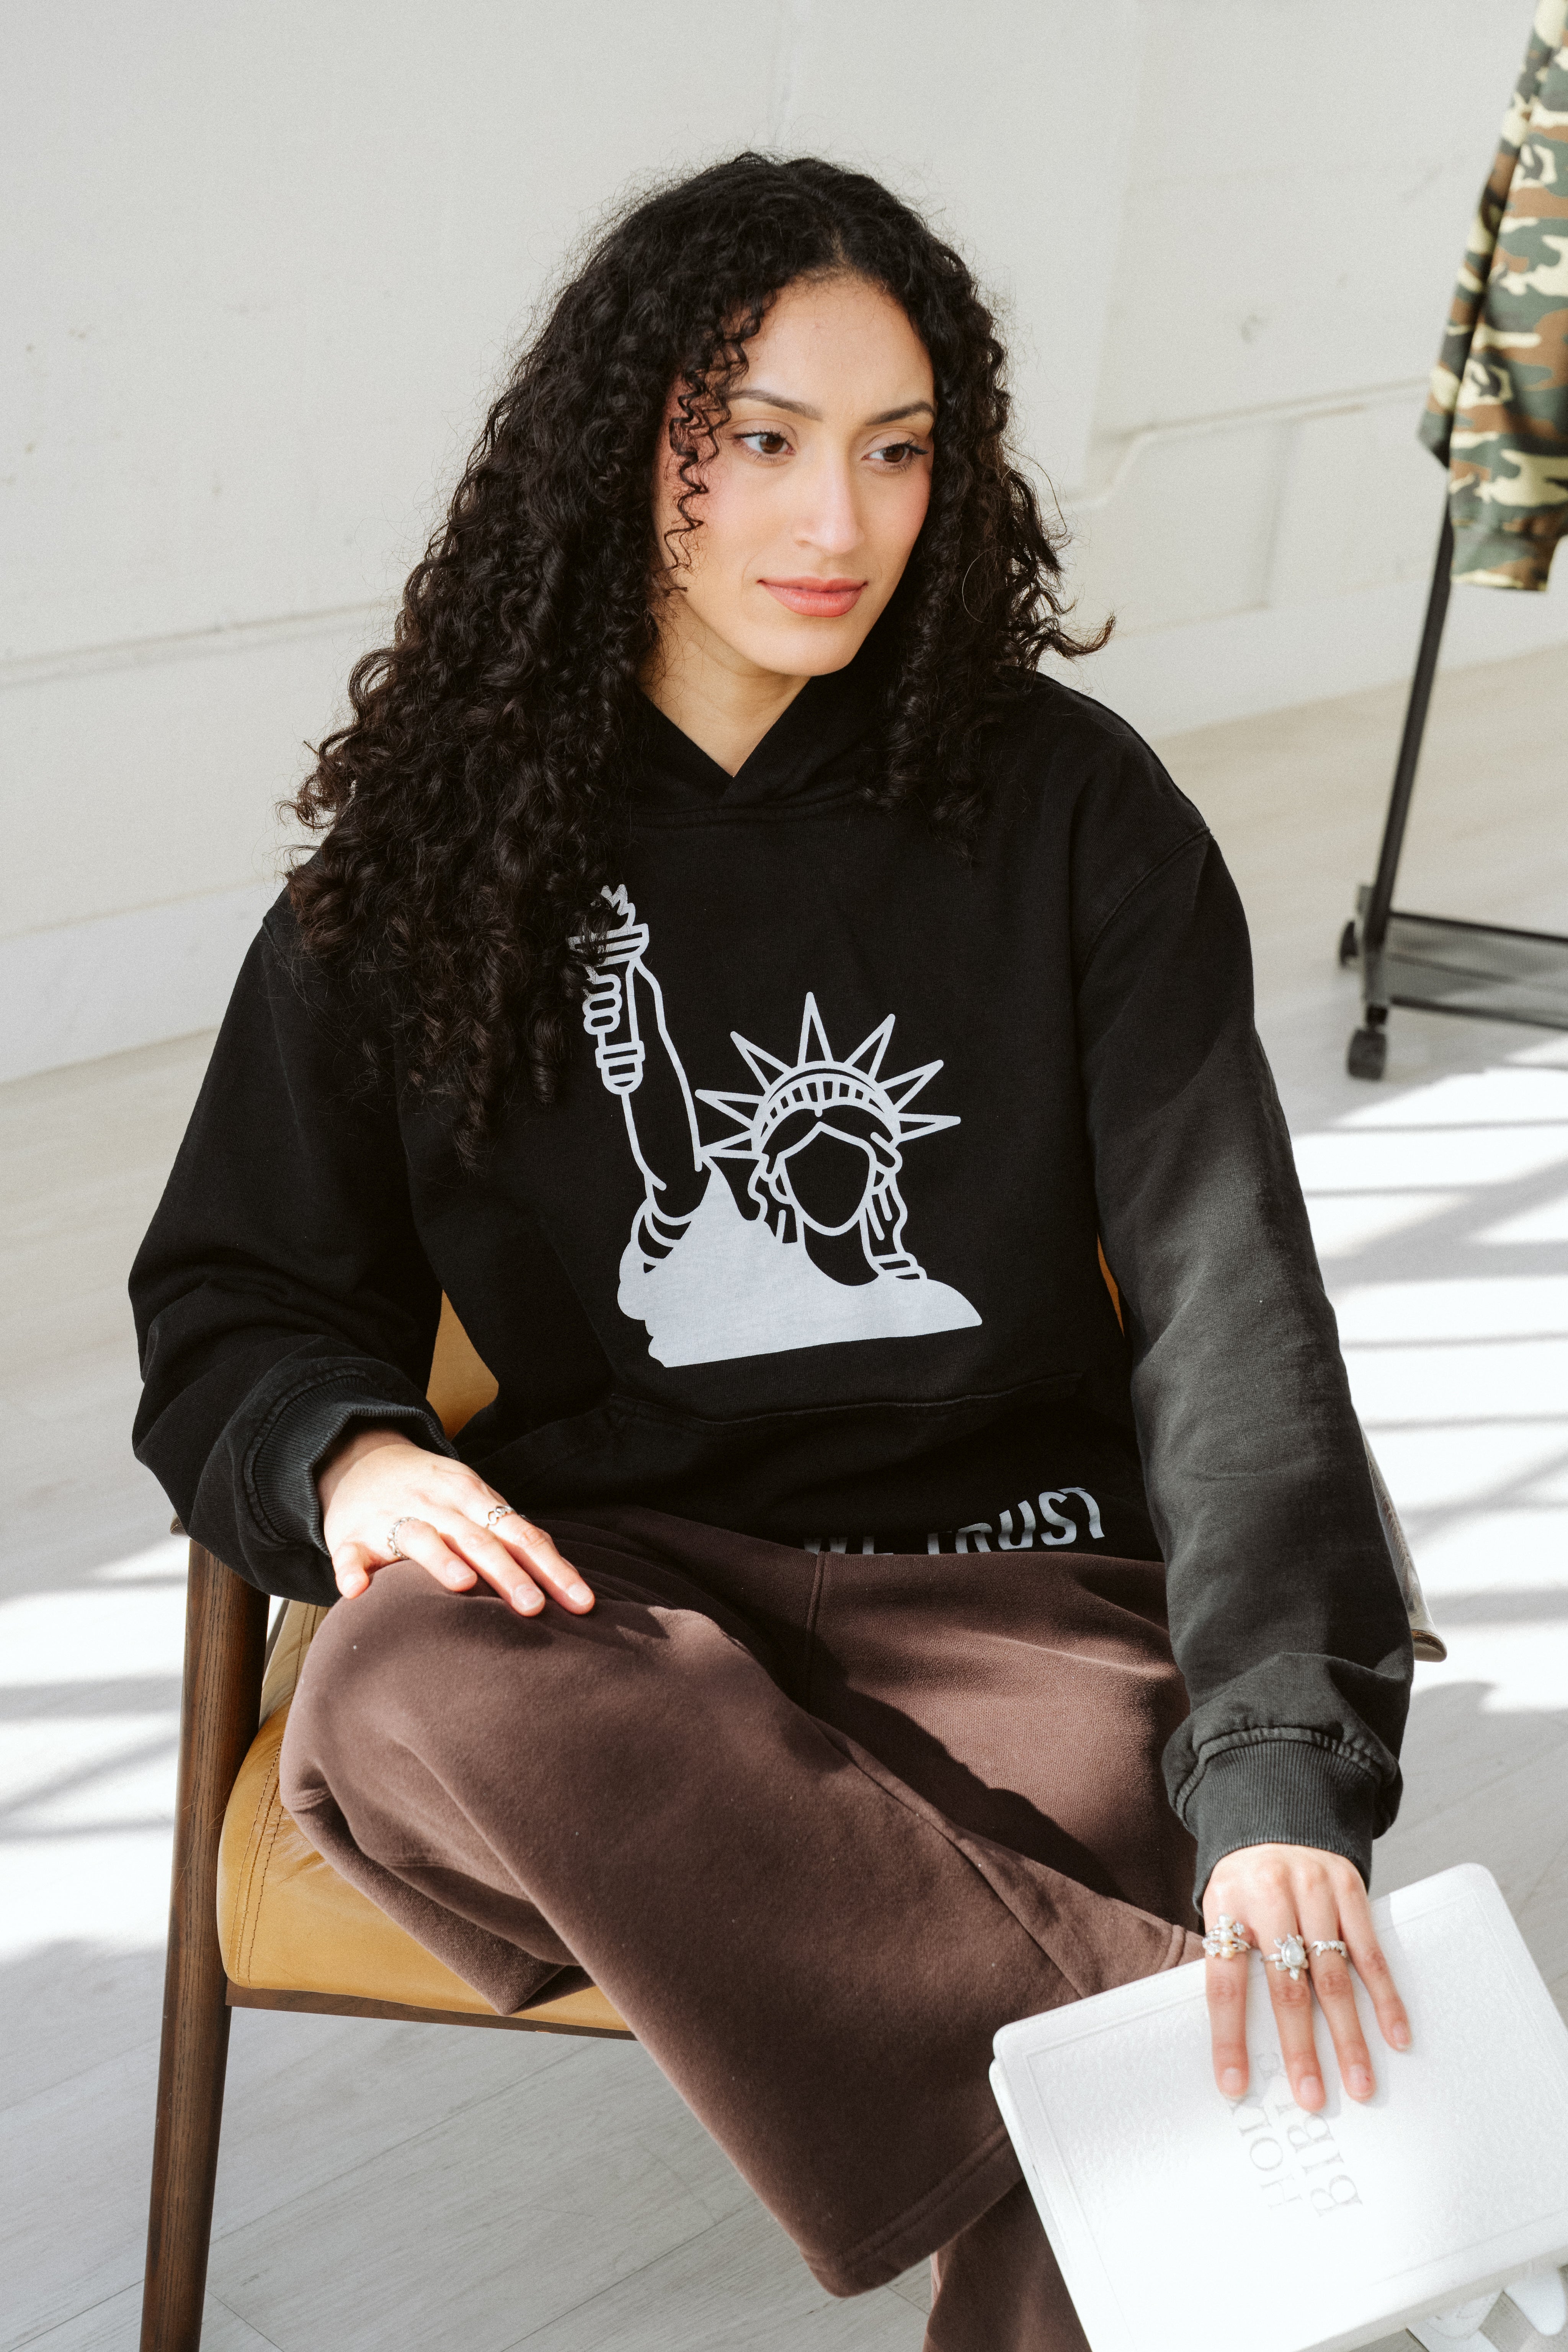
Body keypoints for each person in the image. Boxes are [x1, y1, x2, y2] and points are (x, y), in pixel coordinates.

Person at [130, 153, 1414, 2351]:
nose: (840, 524)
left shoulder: (1077, 810)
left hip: (1016, 1583)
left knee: (1137, 1795)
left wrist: (1283, 1763)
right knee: (404, 1684)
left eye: (900, 450)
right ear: (629, 450)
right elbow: (231, 1292)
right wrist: (347, 1464)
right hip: (613, 1618)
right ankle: (1188, 2079)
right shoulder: (431, 855)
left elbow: (1232, 1310)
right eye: (761, 442)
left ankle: (1129, 2075)